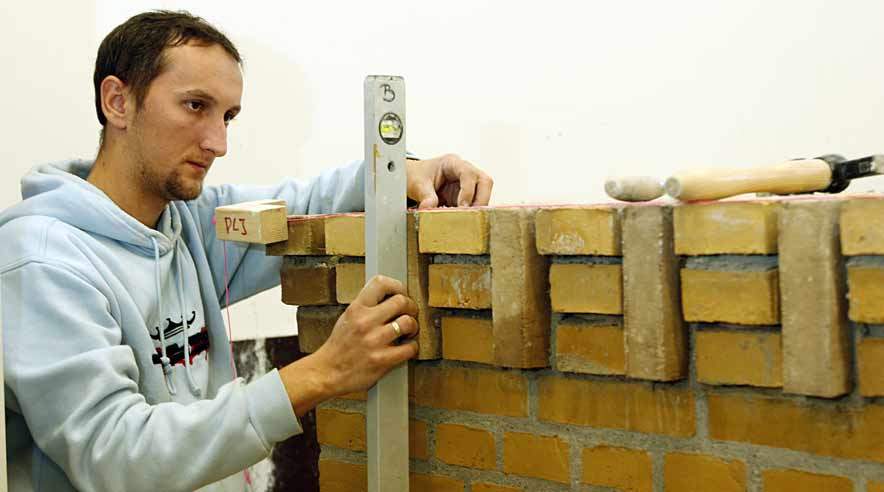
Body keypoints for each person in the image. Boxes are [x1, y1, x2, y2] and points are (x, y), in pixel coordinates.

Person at [1, 10, 492, 492]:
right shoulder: (42, 260)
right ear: (118, 102)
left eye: (228, 116)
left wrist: (403, 171)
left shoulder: (185, 223)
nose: (218, 143)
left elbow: (303, 204)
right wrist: (323, 372)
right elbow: (116, 456)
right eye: (195, 106)